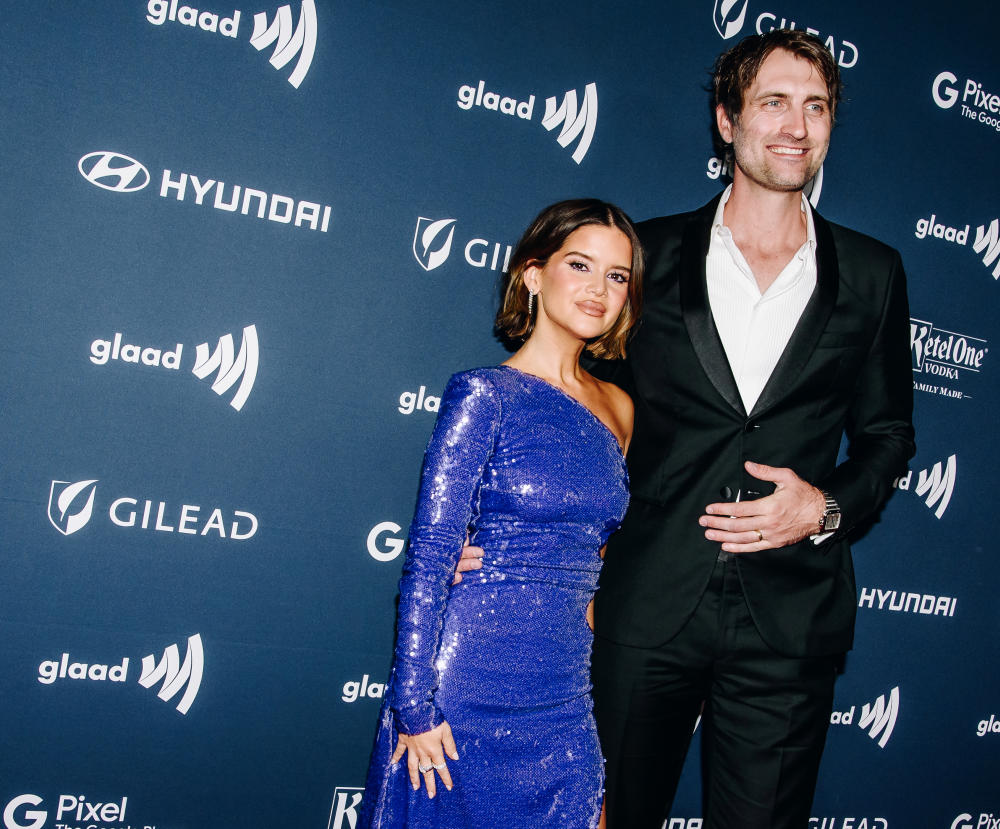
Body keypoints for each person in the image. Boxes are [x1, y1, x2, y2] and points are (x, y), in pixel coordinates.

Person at [456, 30, 915, 827]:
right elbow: (575, 406)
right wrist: (507, 538)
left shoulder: (874, 273)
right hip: (644, 602)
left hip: (790, 619)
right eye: (773, 102)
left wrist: (825, 506)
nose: (795, 127)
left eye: (816, 107)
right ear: (727, 121)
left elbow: (889, 435)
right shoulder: (648, 256)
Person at [359, 199, 644, 829]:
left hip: (564, 688)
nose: (599, 289)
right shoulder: (484, 395)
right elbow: (432, 553)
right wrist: (415, 708)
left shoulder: (620, 408)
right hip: (466, 684)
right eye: (580, 265)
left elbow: (596, 555)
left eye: (618, 276)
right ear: (534, 275)